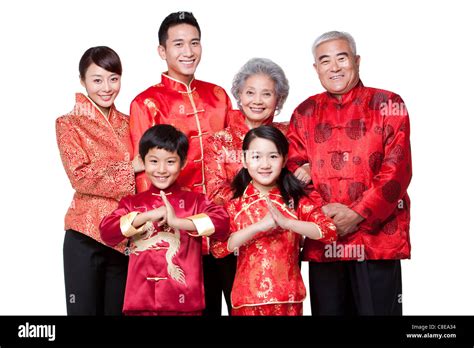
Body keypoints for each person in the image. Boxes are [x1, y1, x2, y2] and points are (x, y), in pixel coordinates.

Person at [286, 31, 412, 315]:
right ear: (315, 68)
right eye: (325, 61)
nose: (334, 67)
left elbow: (397, 169)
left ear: (356, 60)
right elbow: (294, 170)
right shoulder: (304, 112)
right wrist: (324, 218)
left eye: (341, 58)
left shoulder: (388, 104)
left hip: (376, 240)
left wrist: (357, 214)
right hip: (325, 242)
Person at [129, 11, 233, 316]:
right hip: (177, 236)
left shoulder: (218, 95)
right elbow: (145, 178)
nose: (188, 52)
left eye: (194, 43)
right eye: (178, 44)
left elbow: (236, 152)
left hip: (222, 227)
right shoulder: (146, 102)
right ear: (162, 51)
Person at [100, 125, 230, 316]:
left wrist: (178, 223)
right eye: (153, 161)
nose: (161, 169)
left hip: (185, 303)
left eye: (170, 162)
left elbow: (222, 224)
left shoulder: (196, 201)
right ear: (142, 161)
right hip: (140, 303)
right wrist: (146, 216)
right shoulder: (132, 202)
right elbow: (107, 233)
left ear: (183, 162)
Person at [211, 126, 337, 316]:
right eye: (256, 157)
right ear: (244, 160)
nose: (265, 164)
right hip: (247, 301)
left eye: (273, 156)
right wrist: (259, 227)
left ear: (284, 159)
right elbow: (218, 249)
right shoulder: (234, 205)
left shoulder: (294, 200)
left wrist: (287, 223)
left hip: (288, 300)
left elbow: (330, 232)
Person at [56, 46, 144, 315]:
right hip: (85, 238)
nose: (106, 87)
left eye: (113, 78)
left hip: (124, 238)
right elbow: (80, 176)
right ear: (82, 81)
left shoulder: (130, 122)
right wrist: (130, 168)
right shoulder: (68, 123)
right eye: (97, 80)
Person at [205, 57, 290, 206]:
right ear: (239, 94)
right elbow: (215, 193)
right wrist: (259, 200)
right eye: (250, 93)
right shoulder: (219, 142)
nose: (257, 101)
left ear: (279, 98)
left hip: (287, 219)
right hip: (238, 223)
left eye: (266, 94)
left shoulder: (289, 134)